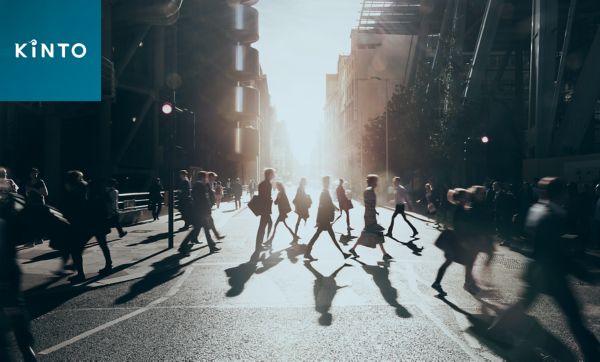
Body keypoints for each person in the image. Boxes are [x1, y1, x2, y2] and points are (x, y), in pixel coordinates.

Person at [489, 178, 599, 361]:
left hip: (537, 270)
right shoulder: (552, 216)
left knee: (525, 303)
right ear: (561, 194)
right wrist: (585, 274)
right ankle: (591, 353)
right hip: (550, 273)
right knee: (573, 314)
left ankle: (497, 329)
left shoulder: (537, 209)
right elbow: (556, 252)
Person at [431, 188, 485, 296]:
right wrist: (465, 241)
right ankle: (465, 284)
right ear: (459, 199)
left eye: (467, 196)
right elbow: (458, 227)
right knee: (456, 261)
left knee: (465, 261)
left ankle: (465, 283)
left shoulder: (463, 208)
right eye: (465, 197)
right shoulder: (459, 210)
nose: (467, 198)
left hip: (459, 240)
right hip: (455, 241)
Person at [0, 212, 37, 361]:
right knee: (21, 332)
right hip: (10, 284)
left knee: (3, 346)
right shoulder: (3, 223)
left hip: (6, 286)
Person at [304, 176, 351, 260]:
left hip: (325, 219)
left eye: (329, 182)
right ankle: (343, 254)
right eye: (328, 182)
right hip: (324, 219)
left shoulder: (326, 192)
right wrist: (318, 220)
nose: (329, 183)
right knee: (329, 237)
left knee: (317, 236)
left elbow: (329, 203)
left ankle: (307, 253)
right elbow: (321, 207)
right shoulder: (324, 193)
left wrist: (335, 208)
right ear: (325, 183)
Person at [349, 174, 392, 260]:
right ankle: (384, 254)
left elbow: (369, 204)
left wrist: (374, 211)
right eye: (376, 181)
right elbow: (368, 204)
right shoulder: (369, 191)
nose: (377, 183)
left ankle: (353, 249)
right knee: (372, 233)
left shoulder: (370, 190)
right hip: (369, 216)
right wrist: (371, 213)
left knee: (374, 233)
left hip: (370, 215)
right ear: (372, 182)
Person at [178, 171, 220, 255]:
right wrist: (207, 211)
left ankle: (212, 246)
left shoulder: (200, 185)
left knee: (205, 229)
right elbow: (203, 200)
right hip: (201, 212)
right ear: (203, 177)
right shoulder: (199, 186)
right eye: (206, 177)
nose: (207, 179)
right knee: (196, 229)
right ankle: (182, 247)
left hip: (201, 211)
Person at [255, 169, 275, 249]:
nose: (274, 175)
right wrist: (270, 200)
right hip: (265, 208)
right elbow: (265, 197)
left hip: (264, 208)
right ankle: (264, 243)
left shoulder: (263, 183)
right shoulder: (267, 184)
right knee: (265, 225)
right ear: (269, 174)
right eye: (273, 173)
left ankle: (260, 244)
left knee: (264, 225)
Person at [207, 172, 225, 240]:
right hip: (204, 207)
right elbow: (207, 194)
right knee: (208, 224)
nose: (215, 178)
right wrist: (213, 192)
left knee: (204, 225)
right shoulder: (207, 183)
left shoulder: (210, 183)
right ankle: (216, 237)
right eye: (214, 177)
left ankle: (215, 238)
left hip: (206, 207)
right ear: (210, 177)